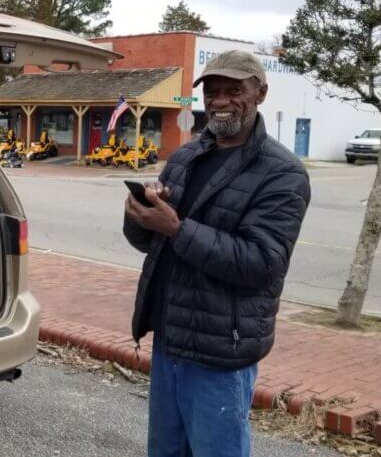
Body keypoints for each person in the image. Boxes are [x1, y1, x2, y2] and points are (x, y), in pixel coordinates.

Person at [123, 50, 311, 457]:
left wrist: (175, 227)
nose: (220, 101)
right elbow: (150, 245)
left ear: (260, 93)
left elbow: (262, 263)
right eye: (212, 91)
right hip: (171, 338)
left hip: (220, 350)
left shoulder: (283, 173)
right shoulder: (188, 156)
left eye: (233, 90)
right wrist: (142, 215)